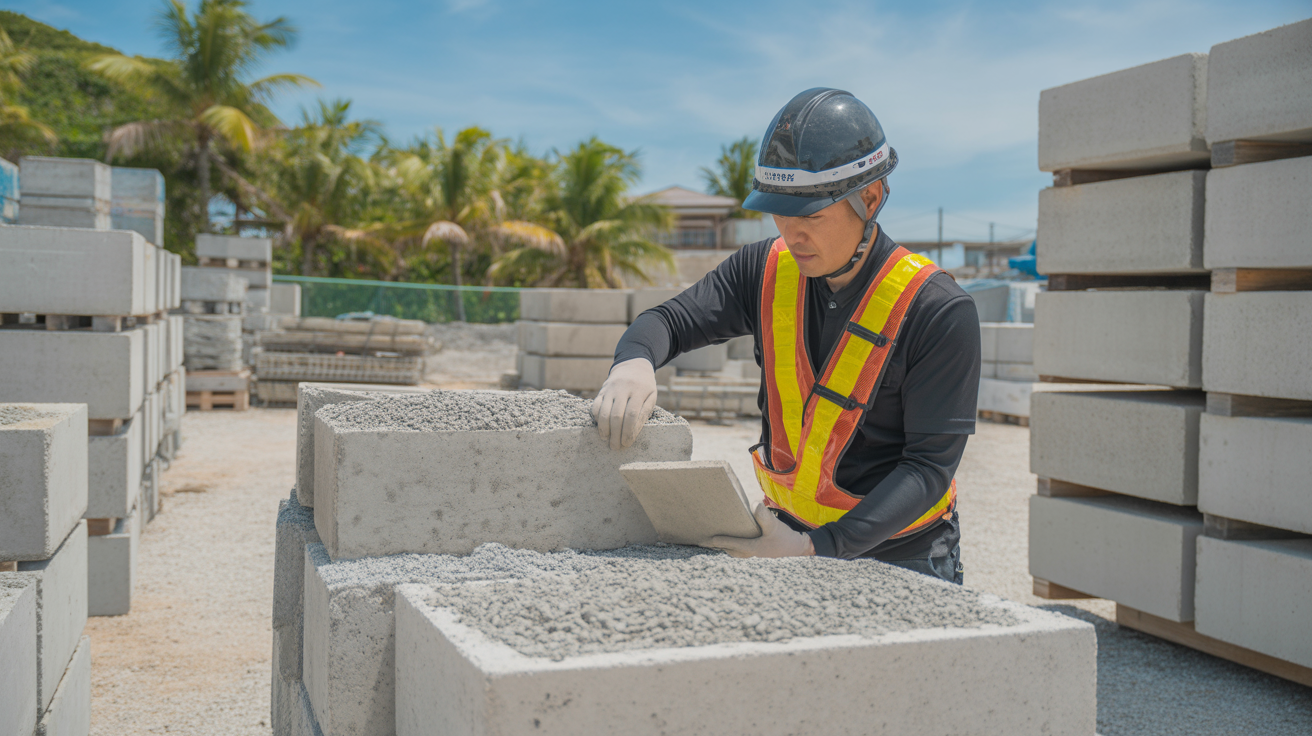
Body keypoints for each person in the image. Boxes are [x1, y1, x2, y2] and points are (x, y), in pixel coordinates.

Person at [591, 87, 980, 584]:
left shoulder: (937, 309)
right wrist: (634, 361)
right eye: (780, 213)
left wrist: (819, 547)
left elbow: (928, 468)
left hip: (903, 556)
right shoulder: (765, 270)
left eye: (811, 216)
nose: (792, 235)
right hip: (786, 540)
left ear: (870, 198)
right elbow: (668, 322)